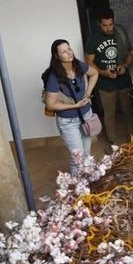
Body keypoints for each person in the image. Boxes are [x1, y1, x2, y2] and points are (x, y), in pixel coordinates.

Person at [43, 38, 99, 175]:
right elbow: (50, 104)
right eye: (64, 51)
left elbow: (94, 73)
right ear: (57, 56)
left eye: (69, 49)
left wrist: (87, 93)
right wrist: (75, 105)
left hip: (86, 116)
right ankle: (76, 189)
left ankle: (88, 184)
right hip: (68, 122)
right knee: (78, 157)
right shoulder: (54, 76)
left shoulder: (78, 65)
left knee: (86, 152)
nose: (68, 53)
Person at [84, 9, 133, 142]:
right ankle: (113, 141)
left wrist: (124, 66)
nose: (108, 28)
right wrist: (102, 72)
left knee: (128, 111)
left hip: (123, 81)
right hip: (105, 84)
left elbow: (131, 54)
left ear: (114, 21)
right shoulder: (93, 39)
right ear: (99, 24)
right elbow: (89, 62)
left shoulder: (120, 33)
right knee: (109, 114)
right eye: (105, 25)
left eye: (110, 24)